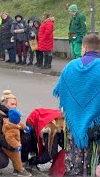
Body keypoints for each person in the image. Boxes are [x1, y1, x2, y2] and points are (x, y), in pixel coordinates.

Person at [53, 34, 100, 176]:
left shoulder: (70, 67)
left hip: (74, 130)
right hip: (97, 131)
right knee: (94, 165)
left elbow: (62, 94)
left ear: (84, 47)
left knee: (74, 165)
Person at [2, 109, 32, 176]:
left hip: (13, 145)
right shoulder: (10, 128)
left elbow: (19, 125)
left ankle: (16, 170)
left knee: (15, 158)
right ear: (15, 118)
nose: (20, 118)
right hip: (9, 146)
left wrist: (25, 127)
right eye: (19, 117)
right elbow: (9, 138)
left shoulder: (13, 123)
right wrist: (17, 145)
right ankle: (20, 170)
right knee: (16, 158)